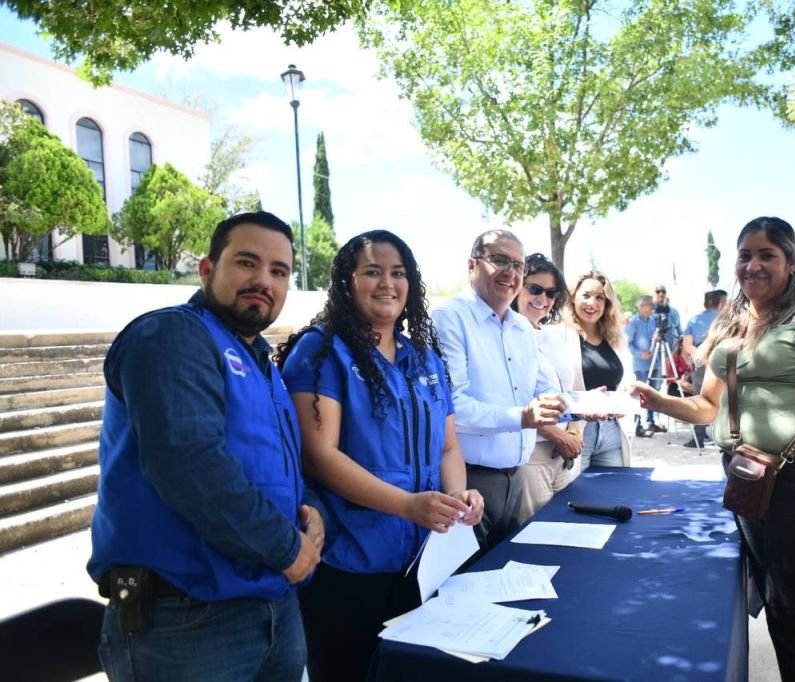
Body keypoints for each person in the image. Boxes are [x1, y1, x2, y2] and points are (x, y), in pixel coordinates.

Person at [87, 211, 324, 681]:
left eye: (279, 271)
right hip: (185, 622)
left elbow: (279, 464)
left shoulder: (262, 363)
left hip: (273, 607)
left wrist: (310, 509)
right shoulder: (172, 335)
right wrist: (287, 549)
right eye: (247, 262)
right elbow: (191, 465)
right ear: (206, 269)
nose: (264, 280)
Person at [631, 216, 795, 681]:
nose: (753, 265)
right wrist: (660, 402)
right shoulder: (734, 319)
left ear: (791, 262)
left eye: (767, 255)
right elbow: (707, 406)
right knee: (774, 607)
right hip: (747, 478)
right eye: (745, 256)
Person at [277, 230, 485, 681]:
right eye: (372, 271)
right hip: (349, 563)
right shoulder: (321, 352)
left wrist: (458, 495)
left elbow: (449, 446)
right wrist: (407, 505)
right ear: (347, 282)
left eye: (398, 273)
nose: (387, 283)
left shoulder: (424, 358)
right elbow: (319, 457)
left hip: (421, 564)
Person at [433, 230, 565, 549]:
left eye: (518, 265)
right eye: (499, 260)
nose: (511, 272)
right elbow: (453, 408)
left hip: (517, 478)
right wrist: (523, 417)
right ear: (472, 265)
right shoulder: (449, 318)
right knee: (466, 575)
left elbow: (543, 390)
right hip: (469, 483)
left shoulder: (522, 328)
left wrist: (582, 406)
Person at [510, 253, 584, 522]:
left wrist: (573, 431)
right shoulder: (503, 335)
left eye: (551, 293)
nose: (543, 298)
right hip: (533, 455)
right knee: (534, 536)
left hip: (565, 454)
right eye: (535, 289)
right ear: (517, 286)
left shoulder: (556, 335)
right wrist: (557, 436)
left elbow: (571, 389)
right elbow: (512, 398)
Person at [569, 270, 634, 470]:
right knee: (574, 489)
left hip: (613, 432)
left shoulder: (616, 338)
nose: (592, 303)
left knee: (614, 488)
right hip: (577, 431)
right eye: (586, 295)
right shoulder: (559, 336)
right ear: (573, 298)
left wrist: (624, 401)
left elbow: (626, 382)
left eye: (600, 297)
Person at [681, 289, 728, 447]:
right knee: (725, 398)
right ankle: (724, 437)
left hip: (701, 364)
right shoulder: (727, 320)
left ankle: (698, 438)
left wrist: (702, 356)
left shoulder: (693, 321)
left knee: (700, 399)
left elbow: (687, 345)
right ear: (721, 303)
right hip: (723, 362)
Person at [624, 295, 660, 437]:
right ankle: (638, 425)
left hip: (654, 362)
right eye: (649, 304)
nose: (651, 307)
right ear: (641, 307)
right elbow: (626, 343)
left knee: (653, 393)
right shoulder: (633, 322)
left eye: (652, 304)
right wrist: (639, 354)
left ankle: (651, 422)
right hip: (641, 365)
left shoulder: (653, 320)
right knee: (640, 394)